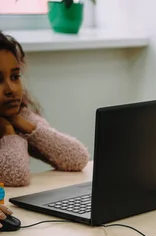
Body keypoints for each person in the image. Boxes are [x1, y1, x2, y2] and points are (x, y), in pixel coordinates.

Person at [0, 31, 89, 188]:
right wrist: (8, 133)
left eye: (15, 77)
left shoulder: (18, 115)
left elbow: (78, 157)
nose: (11, 89)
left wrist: (27, 127)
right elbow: (16, 175)